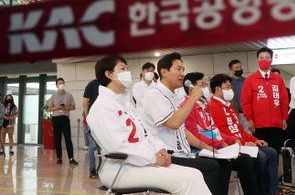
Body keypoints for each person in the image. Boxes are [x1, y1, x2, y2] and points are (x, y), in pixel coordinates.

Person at [87, 55, 211, 195]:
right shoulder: (101, 107)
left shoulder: (126, 103)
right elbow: (118, 147)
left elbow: (146, 133)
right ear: (109, 74)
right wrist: (153, 158)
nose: (128, 72)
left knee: (195, 174)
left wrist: (160, 148)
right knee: (186, 180)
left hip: (141, 163)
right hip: (120, 169)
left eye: (127, 68)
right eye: (123, 69)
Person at [141, 52, 232, 195]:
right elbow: (174, 123)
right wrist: (192, 99)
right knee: (211, 167)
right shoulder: (155, 94)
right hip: (168, 155)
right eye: (178, 69)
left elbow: (183, 130)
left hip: (185, 153)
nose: (182, 73)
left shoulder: (173, 96)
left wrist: (207, 147)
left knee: (224, 163)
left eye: (183, 69)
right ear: (164, 72)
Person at [181, 72, 259, 195]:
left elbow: (215, 130)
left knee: (246, 159)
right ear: (191, 89)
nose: (205, 89)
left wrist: (232, 140)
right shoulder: (186, 107)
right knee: (226, 163)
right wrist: (220, 143)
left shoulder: (203, 105)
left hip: (216, 147)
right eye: (202, 85)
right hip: (201, 149)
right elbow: (194, 135)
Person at [208, 74, 279, 195]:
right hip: (231, 146)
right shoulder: (212, 107)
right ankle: (259, 191)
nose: (230, 90)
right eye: (227, 87)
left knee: (271, 152)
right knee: (260, 156)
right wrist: (244, 143)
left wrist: (255, 140)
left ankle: (271, 191)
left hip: (243, 144)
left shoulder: (229, 107)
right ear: (217, 89)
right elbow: (219, 132)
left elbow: (239, 130)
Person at [241, 47, 289, 154]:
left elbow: (284, 100)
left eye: (267, 57)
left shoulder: (278, 79)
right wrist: (249, 119)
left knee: (275, 151)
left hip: (276, 124)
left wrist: (284, 118)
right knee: (261, 153)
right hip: (259, 124)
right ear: (257, 60)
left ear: (271, 60)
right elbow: (246, 101)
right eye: (261, 57)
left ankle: (273, 171)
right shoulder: (250, 79)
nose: (264, 60)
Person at [48, 78, 78, 165]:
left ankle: (71, 158)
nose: (61, 84)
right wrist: (58, 107)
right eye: (59, 83)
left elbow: (73, 107)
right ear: (56, 85)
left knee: (68, 138)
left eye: (62, 83)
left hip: (65, 118)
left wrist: (66, 108)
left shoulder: (69, 95)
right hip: (56, 118)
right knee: (57, 138)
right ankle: (59, 158)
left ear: (64, 84)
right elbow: (49, 108)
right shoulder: (53, 96)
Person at [82, 79, 100, 178]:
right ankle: (92, 169)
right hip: (93, 119)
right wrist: (88, 117)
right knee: (92, 145)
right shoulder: (92, 84)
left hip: (107, 119)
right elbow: (85, 103)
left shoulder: (110, 83)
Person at [229, 59, 249, 132]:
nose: (239, 69)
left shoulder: (247, 81)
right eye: (236, 68)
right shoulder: (228, 82)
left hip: (246, 114)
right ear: (231, 70)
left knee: (248, 133)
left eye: (240, 67)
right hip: (233, 113)